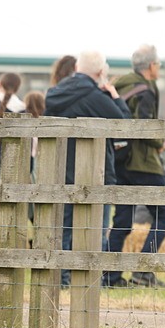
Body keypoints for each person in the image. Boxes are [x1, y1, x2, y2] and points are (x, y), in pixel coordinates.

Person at [44, 51, 131, 287]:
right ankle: (91, 282)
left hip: (60, 171)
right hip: (95, 172)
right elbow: (124, 124)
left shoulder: (54, 93)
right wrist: (114, 96)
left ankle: (60, 279)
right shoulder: (96, 97)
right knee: (95, 229)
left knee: (62, 228)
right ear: (101, 72)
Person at [102, 45, 165, 289]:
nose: (159, 68)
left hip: (119, 161)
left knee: (121, 219)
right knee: (164, 214)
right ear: (151, 66)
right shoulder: (146, 90)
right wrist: (160, 142)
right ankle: (143, 272)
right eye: (159, 64)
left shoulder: (119, 84)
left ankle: (110, 277)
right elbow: (144, 126)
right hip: (143, 162)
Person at [0, 73, 26, 246]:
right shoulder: (22, 108)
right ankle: (9, 243)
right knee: (11, 206)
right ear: (17, 88)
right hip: (14, 163)